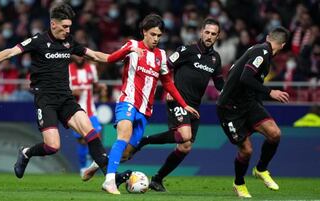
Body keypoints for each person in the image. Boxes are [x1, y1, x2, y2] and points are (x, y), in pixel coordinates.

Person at [0, 3, 137, 184]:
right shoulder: (38, 41)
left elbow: (98, 56)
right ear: (53, 24)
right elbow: (11, 52)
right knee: (53, 146)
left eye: (69, 27)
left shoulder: (69, 42)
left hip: (66, 98)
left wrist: (124, 53)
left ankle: (111, 177)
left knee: (91, 133)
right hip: (46, 100)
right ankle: (26, 152)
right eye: (65, 27)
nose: (67, 30)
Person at [101, 14, 200, 194]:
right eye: (153, 34)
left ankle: (99, 163)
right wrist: (127, 52)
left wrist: (183, 104)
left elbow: (168, 83)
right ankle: (109, 181)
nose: (156, 39)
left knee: (127, 152)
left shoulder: (161, 56)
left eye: (159, 36)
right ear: (144, 32)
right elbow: (111, 59)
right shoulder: (132, 45)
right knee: (123, 136)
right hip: (127, 100)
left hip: (145, 109)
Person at [136, 18, 224, 192]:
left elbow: (219, 83)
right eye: (207, 32)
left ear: (217, 36)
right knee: (185, 134)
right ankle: (143, 141)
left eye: (213, 34)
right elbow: (165, 67)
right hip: (177, 99)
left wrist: (230, 92)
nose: (209, 36)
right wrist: (169, 89)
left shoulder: (215, 58)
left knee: (185, 147)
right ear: (201, 32)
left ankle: (157, 179)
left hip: (194, 106)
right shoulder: (186, 50)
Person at [216, 26, 290, 198]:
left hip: (248, 103)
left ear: (268, 37)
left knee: (275, 134)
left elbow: (249, 82)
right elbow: (245, 77)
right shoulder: (262, 52)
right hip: (229, 108)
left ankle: (261, 169)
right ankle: (239, 183)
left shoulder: (261, 51)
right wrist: (271, 92)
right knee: (246, 150)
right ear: (283, 45)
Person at [68, 54, 107, 175]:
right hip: (76, 111)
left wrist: (101, 88)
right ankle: (83, 166)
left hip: (91, 111)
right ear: (73, 56)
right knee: (82, 140)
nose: (80, 58)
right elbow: (63, 90)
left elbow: (95, 86)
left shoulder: (91, 69)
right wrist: (73, 91)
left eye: (81, 56)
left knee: (96, 137)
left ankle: (92, 162)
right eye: (77, 55)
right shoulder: (68, 69)